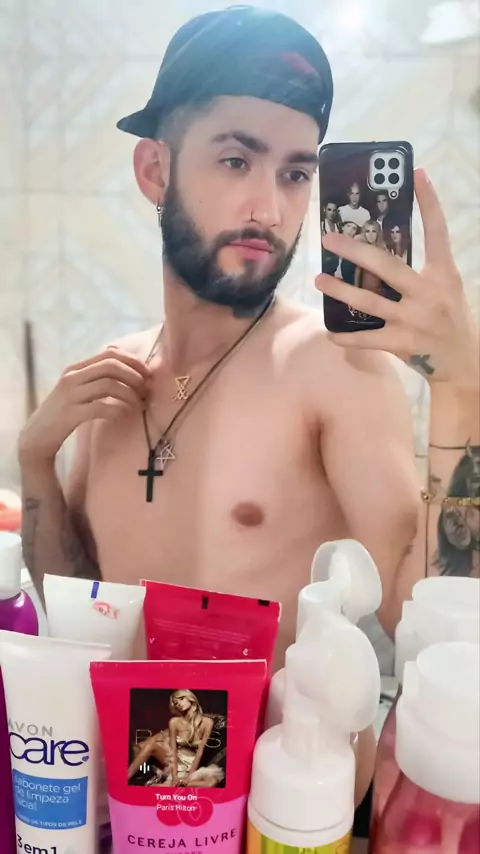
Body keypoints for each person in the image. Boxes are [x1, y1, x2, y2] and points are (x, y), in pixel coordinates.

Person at [17, 6, 479, 816]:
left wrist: (463, 387)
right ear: (155, 170)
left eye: (296, 174)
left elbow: (437, 626)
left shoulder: (331, 366)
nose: (269, 207)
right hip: (134, 806)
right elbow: (80, 611)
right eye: (236, 160)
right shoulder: (106, 383)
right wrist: (36, 464)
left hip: (283, 817)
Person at [128, 689, 224, 788]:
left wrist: (188, 777)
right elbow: (173, 751)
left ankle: (172, 785)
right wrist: (174, 776)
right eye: (176, 703)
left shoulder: (207, 722)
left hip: (194, 765)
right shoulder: (174, 722)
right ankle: (125, 777)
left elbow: (200, 752)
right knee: (151, 745)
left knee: (212, 782)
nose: (179, 704)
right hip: (176, 764)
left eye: (181, 699)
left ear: (190, 698)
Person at [354, 220, 387, 294]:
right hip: (365, 291)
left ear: (378, 233)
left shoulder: (382, 250)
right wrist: (356, 291)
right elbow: (358, 272)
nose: (370, 235)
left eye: (373, 231)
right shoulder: (363, 250)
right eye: (367, 231)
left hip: (379, 291)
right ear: (364, 233)